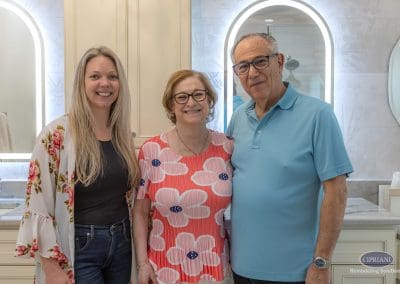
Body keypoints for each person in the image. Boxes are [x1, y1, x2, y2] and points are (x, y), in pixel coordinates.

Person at [227, 33, 353, 284]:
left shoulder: (318, 115)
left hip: (296, 271)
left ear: (280, 61)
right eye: (243, 66)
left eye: (260, 61)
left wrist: (322, 262)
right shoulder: (238, 118)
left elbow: (337, 192)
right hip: (241, 267)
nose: (252, 73)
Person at [15, 46, 139, 283]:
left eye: (112, 76)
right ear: (81, 83)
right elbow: (38, 204)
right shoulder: (56, 135)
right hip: (80, 247)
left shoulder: (122, 135)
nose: (105, 83)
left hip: (122, 242)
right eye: (95, 76)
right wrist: (51, 267)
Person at [133, 69, 233, 284]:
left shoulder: (227, 147)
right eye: (182, 97)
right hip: (164, 267)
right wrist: (142, 264)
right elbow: (140, 213)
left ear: (209, 99)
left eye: (199, 94)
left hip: (215, 267)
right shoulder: (151, 151)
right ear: (171, 105)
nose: (191, 102)